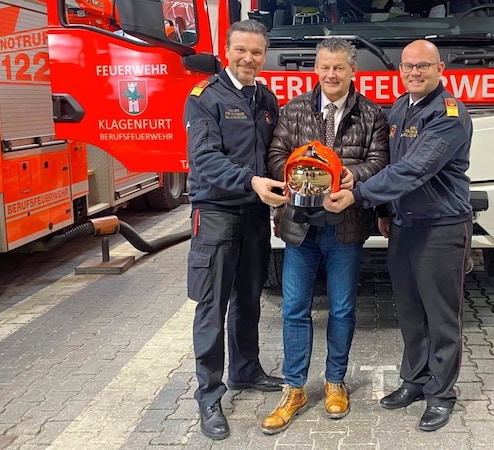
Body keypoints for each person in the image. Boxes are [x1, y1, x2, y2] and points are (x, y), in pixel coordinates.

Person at [324, 39, 472, 432]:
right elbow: (392, 163)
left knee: (441, 316)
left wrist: (356, 195)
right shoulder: (402, 107)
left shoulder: (449, 115)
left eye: (423, 66)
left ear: (441, 69)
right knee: (408, 311)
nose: (415, 72)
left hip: (440, 227)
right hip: (404, 227)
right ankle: (415, 381)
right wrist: (386, 211)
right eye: (408, 66)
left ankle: (441, 394)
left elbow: (413, 171)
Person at [260, 37, 390, 434]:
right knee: (295, 309)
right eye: (324, 67)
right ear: (316, 70)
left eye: (339, 67)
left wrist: (351, 178)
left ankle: (336, 382)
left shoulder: (372, 115)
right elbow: (276, 155)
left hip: (346, 227)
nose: (331, 75)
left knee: (343, 309)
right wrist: (301, 171)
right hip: (299, 227)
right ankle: (294, 388)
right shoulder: (293, 109)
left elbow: (380, 161)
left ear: (353, 70)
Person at [183, 19, 289, 441]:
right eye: (241, 50)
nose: (249, 58)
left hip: (254, 215)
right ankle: (209, 394)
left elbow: (274, 153)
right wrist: (251, 182)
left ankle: (246, 371)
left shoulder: (265, 97)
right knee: (211, 307)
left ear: (265, 55)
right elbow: (204, 158)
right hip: (216, 215)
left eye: (257, 52)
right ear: (228, 51)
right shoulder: (204, 98)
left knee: (248, 299)